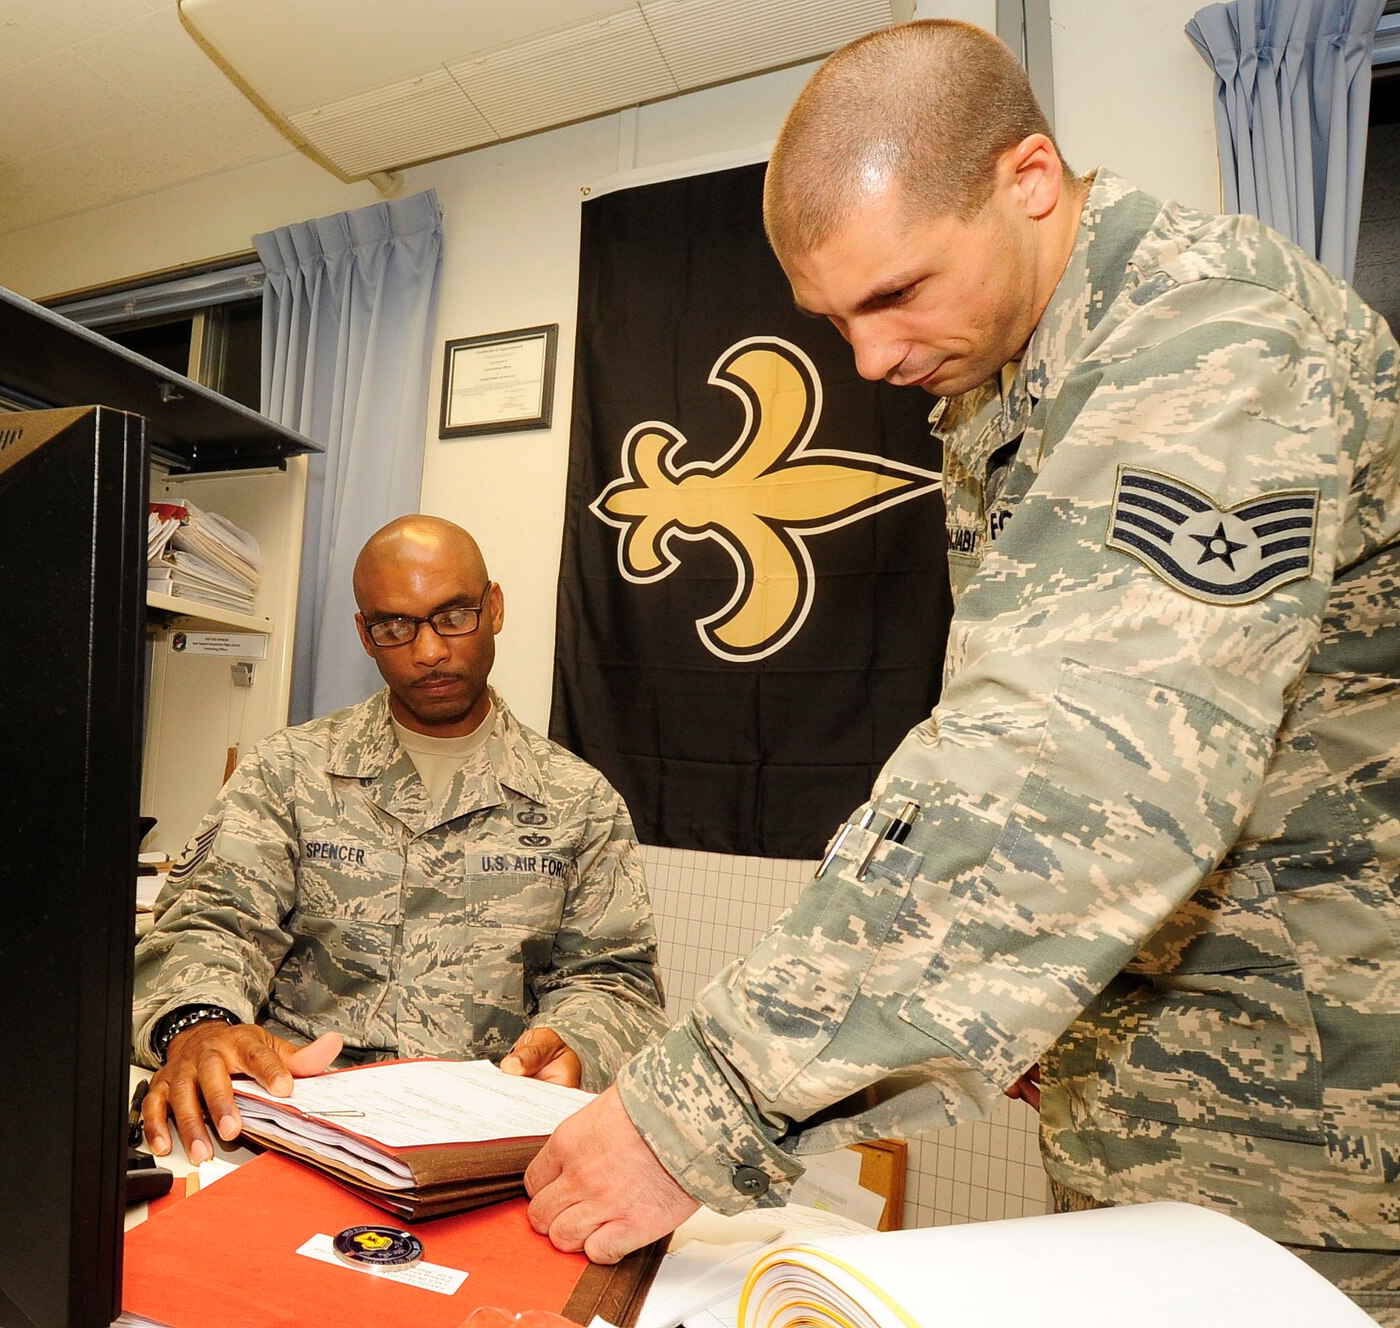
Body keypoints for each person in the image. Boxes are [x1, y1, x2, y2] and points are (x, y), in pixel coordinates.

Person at [522, 19, 1400, 1322]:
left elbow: (1070, 772)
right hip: (1151, 1089)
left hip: (1311, 1122)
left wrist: (694, 1107)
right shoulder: (1011, 377)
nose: (869, 359)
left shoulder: (1210, 344)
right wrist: (1032, 1001)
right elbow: (984, 729)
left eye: (893, 295)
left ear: (1029, 181)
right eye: (836, 318)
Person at [134, 515, 668, 1166]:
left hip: (483, 1139)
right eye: (395, 625)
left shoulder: (578, 801)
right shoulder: (289, 773)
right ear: (365, 634)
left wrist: (577, 1042)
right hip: (292, 1120)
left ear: (493, 608)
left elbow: (611, 981)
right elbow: (212, 925)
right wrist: (200, 1026)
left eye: (453, 616)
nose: (429, 652)